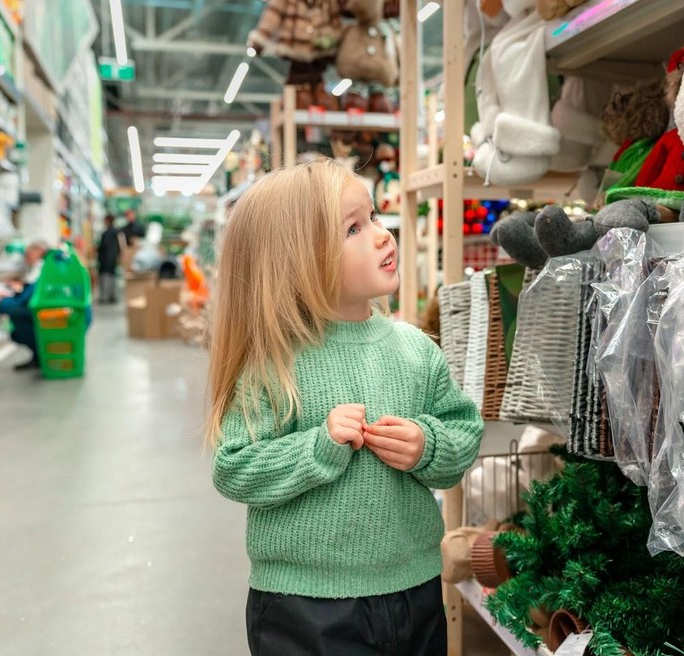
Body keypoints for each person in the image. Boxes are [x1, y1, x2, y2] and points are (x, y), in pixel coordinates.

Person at [207, 159, 483, 656]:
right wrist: (317, 447)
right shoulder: (275, 364)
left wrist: (429, 445)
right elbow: (234, 469)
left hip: (414, 588)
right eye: (353, 228)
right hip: (306, 606)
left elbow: (463, 429)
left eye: (375, 217)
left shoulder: (414, 349)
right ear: (296, 259)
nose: (382, 235)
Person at [0, 241, 49, 371]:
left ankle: (40, 355)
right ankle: (40, 356)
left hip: (44, 314)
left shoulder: (41, 268)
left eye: (28, 255)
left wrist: (1, 304)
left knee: (16, 316)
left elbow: (27, 299)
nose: (26, 258)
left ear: (39, 252)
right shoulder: (48, 266)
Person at [96, 214, 123, 304]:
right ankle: (112, 296)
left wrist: (98, 249)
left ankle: (104, 297)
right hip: (113, 258)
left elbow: (105, 246)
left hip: (105, 258)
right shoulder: (117, 232)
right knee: (112, 276)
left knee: (105, 277)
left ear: (107, 221)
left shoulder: (107, 233)